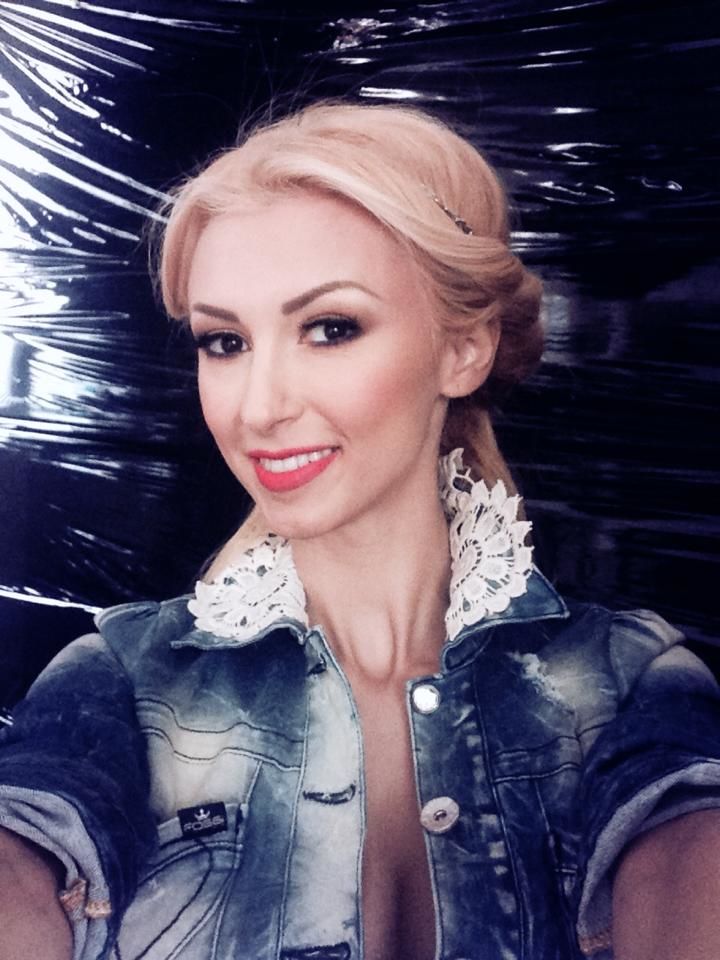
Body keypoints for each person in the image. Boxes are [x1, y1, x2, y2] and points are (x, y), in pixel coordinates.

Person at [0, 101, 719, 960]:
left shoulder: (627, 680)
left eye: (329, 328)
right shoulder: (118, 679)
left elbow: (685, 853)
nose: (259, 407)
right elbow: (27, 847)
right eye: (224, 342)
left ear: (464, 349)